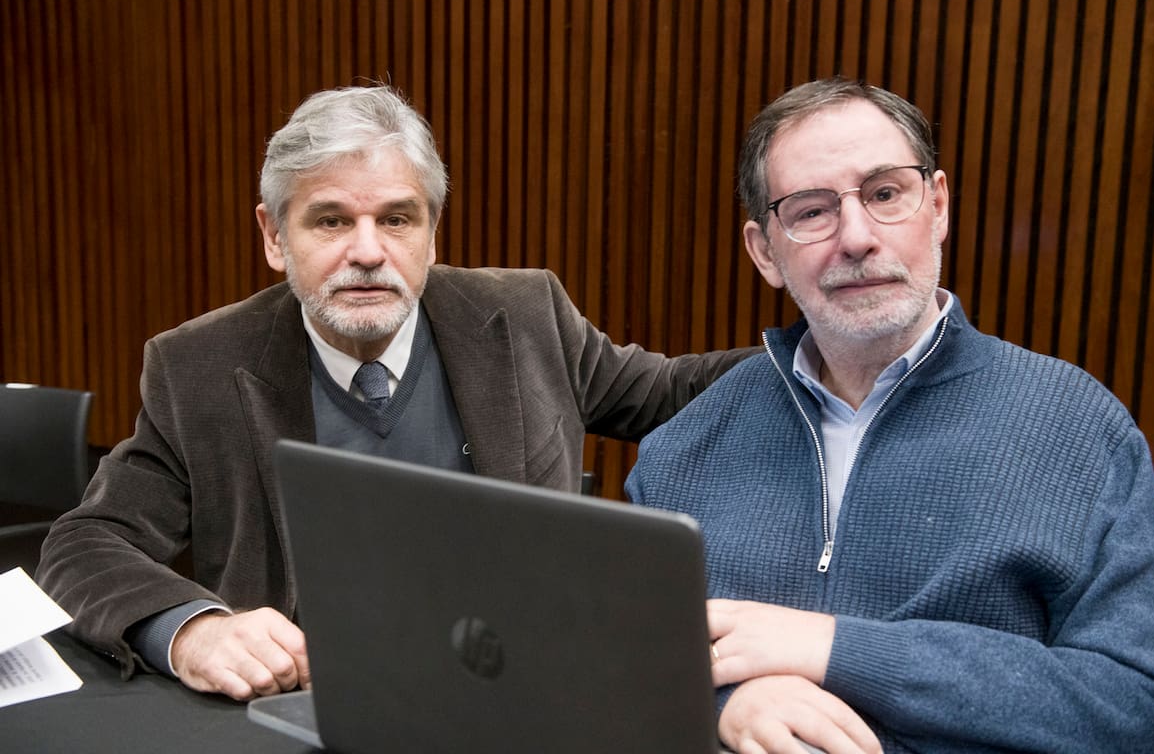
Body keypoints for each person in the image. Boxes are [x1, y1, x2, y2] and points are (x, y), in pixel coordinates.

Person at [37, 85, 752, 702]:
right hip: (311, 707)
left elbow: (671, 392)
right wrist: (194, 630)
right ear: (274, 235)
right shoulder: (199, 366)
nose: (370, 251)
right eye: (331, 220)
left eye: (397, 219)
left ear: (431, 234)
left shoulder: (526, 316)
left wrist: (832, 348)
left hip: (520, 696)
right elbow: (86, 542)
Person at [626, 77, 1154, 754]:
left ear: (939, 205)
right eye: (812, 211)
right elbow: (620, 667)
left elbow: (1146, 714)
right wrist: (726, 698)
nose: (857, 237)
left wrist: (840, 650)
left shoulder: (1078, 430)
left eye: (885, 193)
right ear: (765, 251)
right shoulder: (681, 451)